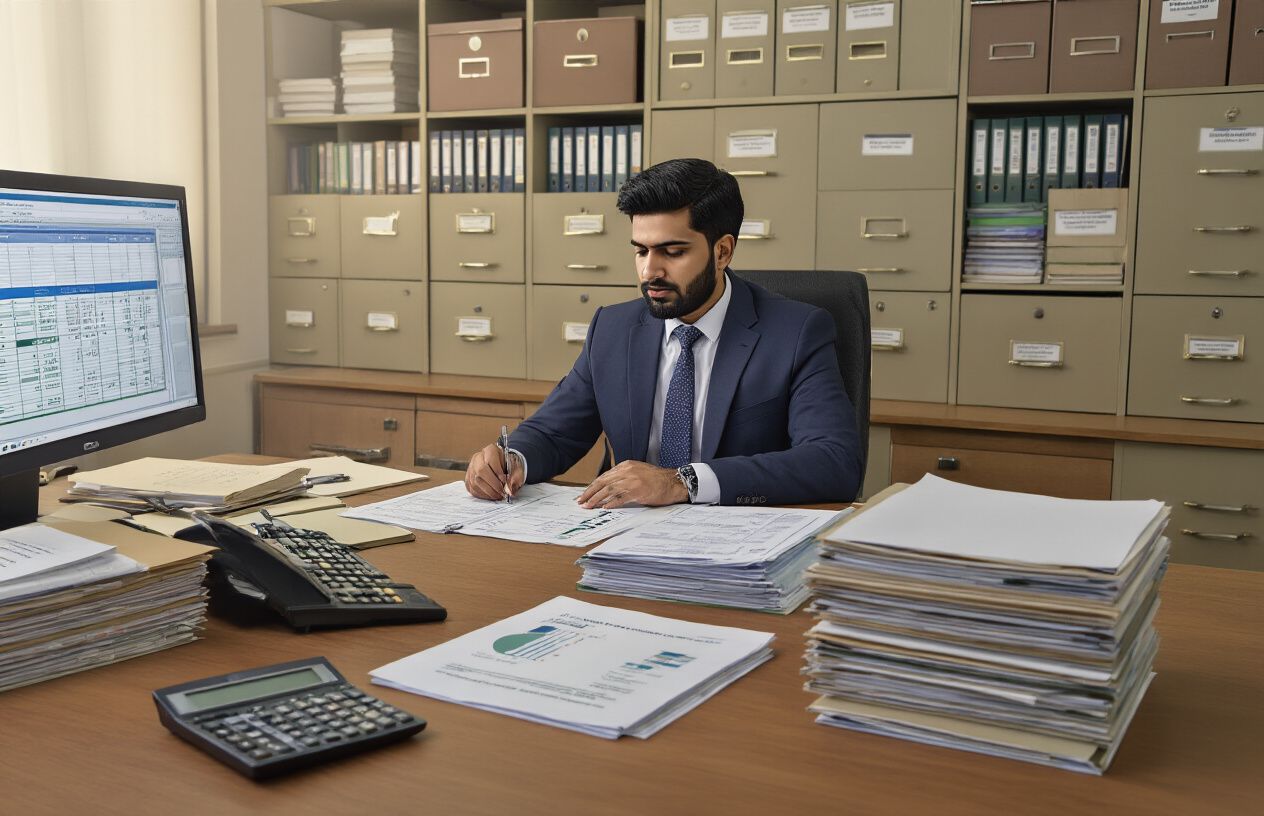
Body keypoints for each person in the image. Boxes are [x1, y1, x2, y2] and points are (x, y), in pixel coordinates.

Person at [464, 157, 862, 508]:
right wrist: (512, 458)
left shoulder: (796, 332)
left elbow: (835, 461)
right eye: (641, 250)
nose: (649, 271)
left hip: (737, 540)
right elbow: (554, 432)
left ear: (722, 251)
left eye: (672, 252)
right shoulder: (612, 329)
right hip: (624, 536)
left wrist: (680, 482)